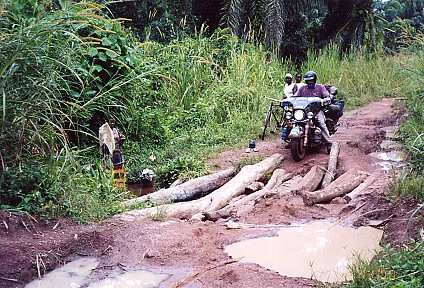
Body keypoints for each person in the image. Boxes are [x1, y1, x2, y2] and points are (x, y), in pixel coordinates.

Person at [294, 71, 332, 153]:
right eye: (308, 81)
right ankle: (292, 140)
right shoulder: (303, 88)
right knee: (290, 120)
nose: (309, 82)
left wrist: (326, 100)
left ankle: (328, 143)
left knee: (321, 122)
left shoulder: (320, 87)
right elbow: (295, 97)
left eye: (311, 80)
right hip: (305, 111)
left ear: (314, 80)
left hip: (317, 110)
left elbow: (327, 96)